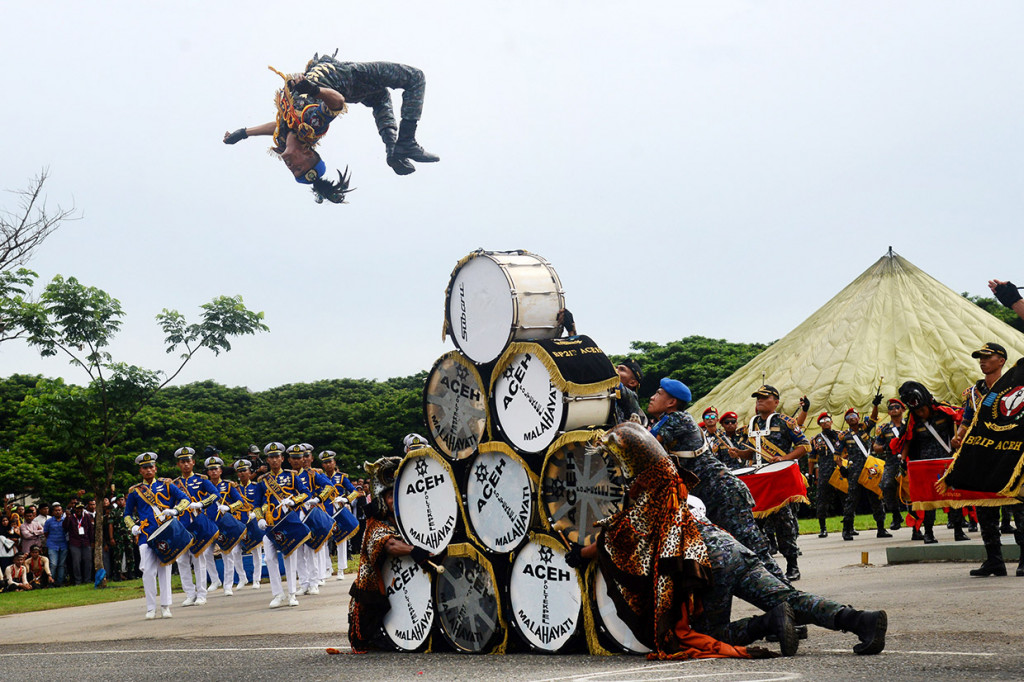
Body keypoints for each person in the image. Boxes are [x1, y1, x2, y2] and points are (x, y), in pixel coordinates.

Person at [567, 422, 773, 659]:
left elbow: (620, 536)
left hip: (709, 564)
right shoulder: (671, 480)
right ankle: (777, 618)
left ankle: (766, 624)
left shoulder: (656, 493)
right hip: (732, 553)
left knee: (691, 635)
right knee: (796, 603)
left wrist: (581, 553)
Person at [687, 496, 888, 656]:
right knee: (791, 599)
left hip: (709, 560)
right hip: (736, 550)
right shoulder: (681, 495)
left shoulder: (661, 505)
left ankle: (769, 622)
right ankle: (859, 620)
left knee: (705, 636)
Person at [224, 53, 438, 202]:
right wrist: (313, 89)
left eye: (293, 172)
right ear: (307, 152)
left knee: (381, 96)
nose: (291, 167)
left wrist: (243, 133)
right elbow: (337, 103)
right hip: (347, 78)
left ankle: (393, 148)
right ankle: (406, 141)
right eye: (299, 167)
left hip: (349, 84)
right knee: (415, 78)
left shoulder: (284, 137)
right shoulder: (311, 125)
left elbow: (276, 125)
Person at [647, 378, 786, 583]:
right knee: (723, 553)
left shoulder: (678, 419)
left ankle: (790, 597)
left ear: (671, 402)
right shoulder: (666, 421)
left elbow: (646, 445)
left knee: (754, 549)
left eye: (658, 393)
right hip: (709, 496)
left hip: (724, 494)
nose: (652, 397)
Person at [950, 343, 1024, 577]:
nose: (982, 362)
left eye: (987, 357)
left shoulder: (1014, 387)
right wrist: (958, 436)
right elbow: (967, 419)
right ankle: (994, 560)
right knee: (984, 508)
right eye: (980, 358)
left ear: (1001, 360)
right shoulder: (975, 391)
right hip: (982, 456)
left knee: (1019, 507)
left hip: (1010, 454)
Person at [348, 456, 435, 652]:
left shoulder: (412, 521)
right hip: (374, 606)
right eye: (390, 496)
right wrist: (414, 550)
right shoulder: (375, 526)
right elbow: (390, 546)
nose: (395, 500)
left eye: (398, 494)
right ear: (381, 500)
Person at [738, 385, 810, 581]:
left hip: (778, 478)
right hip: (758, 480)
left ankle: (792, 565)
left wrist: (784, 458)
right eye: (757, 398)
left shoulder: (786, 421)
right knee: (754, 525)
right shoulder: (751, 424)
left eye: (764, 398)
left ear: (776, 402)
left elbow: (804, 446)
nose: (759, 401)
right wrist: (739, 453)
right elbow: (750, 452)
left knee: (784, 523)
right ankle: (762, 567)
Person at [889, 381, 962, 544]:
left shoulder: (944, 412)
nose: (921, 413)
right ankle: (928, 533)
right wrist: (902, 461)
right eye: (917, 411)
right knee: (929, 501)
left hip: (947, 460)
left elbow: (960, 420)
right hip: (925, 465)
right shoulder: (912, 421)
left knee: (954, 497)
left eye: (922, 409)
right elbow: (906, 441)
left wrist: (959, 441)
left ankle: (959, 530)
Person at [124, 451, 192, 619]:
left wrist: (175, 510)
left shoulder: (166, 484)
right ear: (140, 471)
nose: (148, 470)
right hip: (146, 534)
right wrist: (132, 526)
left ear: (155, 468)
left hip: (165, 533)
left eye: (151, 467)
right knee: (147, 570)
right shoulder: (135, 491)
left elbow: (185, 499)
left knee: (165, 569)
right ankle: (150, 607)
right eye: (145, 468)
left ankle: (165, 606)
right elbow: (127, 513)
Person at [254, 441, 312, 608]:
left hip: (288, 521)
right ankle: (278, 594)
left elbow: (306, 494)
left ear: (282, 458)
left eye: (277, 457)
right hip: (270, 524)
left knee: (290, 557)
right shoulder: (263, 481)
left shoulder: (292, 476)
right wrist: (259, 518)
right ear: (267, 459)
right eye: (271, 457)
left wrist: (293, 500)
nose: (274, 460)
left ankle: (292, 593)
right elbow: (256, 504)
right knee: (271, 559)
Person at [172, 447, 220, 607]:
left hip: (197, 523)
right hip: (181, 525)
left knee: (198, 559)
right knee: (182, 561)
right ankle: (189, 593)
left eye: (188, 461)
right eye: (182, 462)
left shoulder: (201, 480)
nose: (186, 464)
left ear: (193, 462)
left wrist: (202, 503)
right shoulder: (174, 483)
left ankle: (201, 593)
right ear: (178, 464)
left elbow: (216, 495)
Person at [837, 400, 890, 541]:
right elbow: (836, 455)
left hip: (869, 469)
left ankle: (881, 528)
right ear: (846, 421)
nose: (851, 418)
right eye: (848, 417)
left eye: (853, 415)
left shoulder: (865, 429)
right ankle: (846, 529)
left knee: (876, 497)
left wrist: (876, 405)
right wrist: (841, 467)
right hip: (854, 470)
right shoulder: (844, 436)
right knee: (851, 500)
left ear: (858, 417)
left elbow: (873, 418)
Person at [290, 443, 339, 596]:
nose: (299, 460)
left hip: (308, 513)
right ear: (290, 460)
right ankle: (303, 583)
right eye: (295, 458)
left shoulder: (312, 474)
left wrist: (318, 499)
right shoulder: (287, 475)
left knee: (312, 548)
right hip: (292, 515)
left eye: (302, 457)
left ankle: (314, 582)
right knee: (297, 550)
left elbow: (329, 486)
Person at [205, 455, 246, 595]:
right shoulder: (204, 485)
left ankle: (228, 585)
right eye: (210, 470)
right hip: (209, 523)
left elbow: (240, 501)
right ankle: (215, 580)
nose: (213, 472)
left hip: (224, 523)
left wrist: (229, 508)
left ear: (220, 471)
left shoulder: (228, 485)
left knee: (227, 553)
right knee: (205, 553)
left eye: (216, 469)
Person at [319, 450, 358, 580]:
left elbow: (355, 491)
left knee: (341, 540)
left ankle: (341, 569)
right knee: (324, 540)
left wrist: (346, 499)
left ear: (334, 462)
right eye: (325, 463)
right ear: (323, 465)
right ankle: (327, 567)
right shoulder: (320, 477)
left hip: (338, 510)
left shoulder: (341, 477)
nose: (328, 464)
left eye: (330, 461)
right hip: (325, 510)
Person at [873, 398, 908, 531]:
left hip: (909, 461)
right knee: (886, 485)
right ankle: (895, 514)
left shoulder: (909, 424)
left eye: (897, 407)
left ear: (903, 409)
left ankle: (916, 520)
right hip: (892, 462)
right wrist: (883, 448)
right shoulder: (885, 429)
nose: (893, 409)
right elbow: (876, 446)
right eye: (891, 408)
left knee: (912, 490)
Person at [809, 413, 843, 538]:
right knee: (822, 500)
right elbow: (812, 458)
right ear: (819, 424)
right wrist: (811, 474)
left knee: (846, 498)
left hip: (840, 470)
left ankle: (849, 526)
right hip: (824, 472)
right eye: (822, 421)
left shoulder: (840, 435)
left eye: (828, 420)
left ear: (831, 421)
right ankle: (822, 528)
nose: (825, 422)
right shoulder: (816, 439)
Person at [234, 459, 262, 590]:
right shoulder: (234, 488)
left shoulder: (256, 487)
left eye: (244, 470)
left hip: (253, 521)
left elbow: (261, 503)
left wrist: (255, 515)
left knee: (256, 551)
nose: (242, 473)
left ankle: (257, 579)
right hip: (239, 522)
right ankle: (242, 577)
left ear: (250, 472)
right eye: (240, 471)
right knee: (235, 551)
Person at [63, 502, 94, 585]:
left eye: (81, 508)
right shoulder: (71, 517)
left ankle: (87, 579)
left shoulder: (87, 517)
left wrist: (92, 541)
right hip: (75, 543)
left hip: (86, 542)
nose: (79, 510)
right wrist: (67, 517)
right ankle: (78, 580)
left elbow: (91, 530)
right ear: (75, 509)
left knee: (88, 561)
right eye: (78, 508)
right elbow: (65, 528)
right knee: (76, 562)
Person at [43, 503, 68, 586]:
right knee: (53, 564)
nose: (57, 512)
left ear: (62, 511)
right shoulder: (49, 521)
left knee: (62, 564)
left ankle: (60, 582)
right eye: (56, 510)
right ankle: (51, 582)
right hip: (52, 544)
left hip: (63, 544)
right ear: (52, 512)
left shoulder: (65, 520)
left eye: (59, 510)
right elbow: (46, 533)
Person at [613, 359, 645, 424]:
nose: (615, 370)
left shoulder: (632, 396)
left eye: (622, 369)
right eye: (616, 368)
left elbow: (620, 388)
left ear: (632, 383)